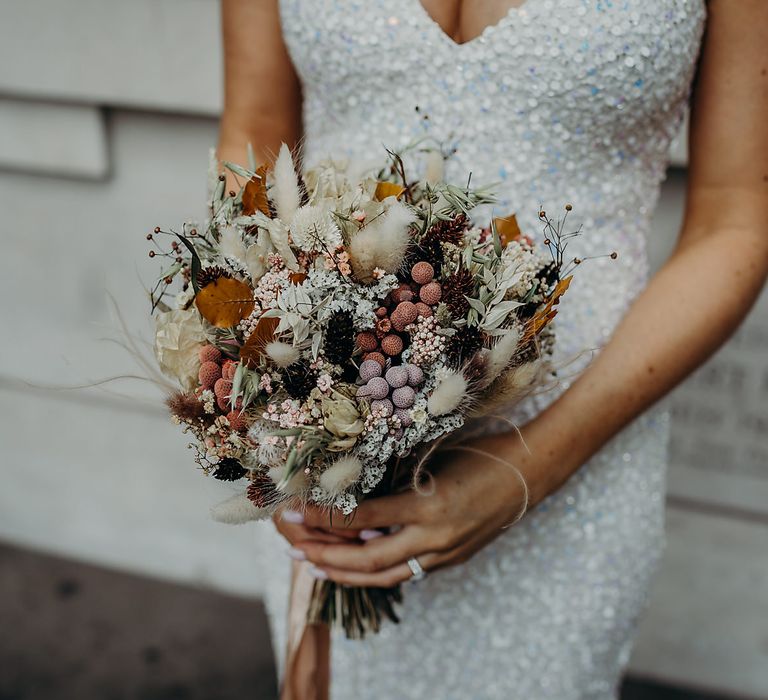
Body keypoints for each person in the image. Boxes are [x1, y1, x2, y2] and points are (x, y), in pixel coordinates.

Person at [217, 1, 768, 697]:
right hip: (327, 439)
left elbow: (734, 221)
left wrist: (535, 465)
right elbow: (255, 131)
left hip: (581, 446)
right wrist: (272, 358)